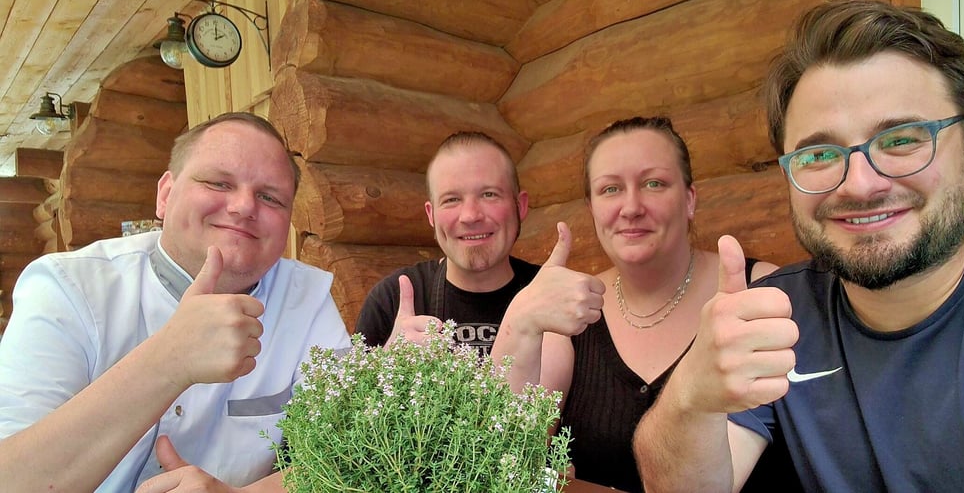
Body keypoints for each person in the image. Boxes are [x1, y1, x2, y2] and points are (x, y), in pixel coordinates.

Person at [634, 0, 964, 491]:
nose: (859, 185)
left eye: (901, 140)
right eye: (819, 153)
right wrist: (691, 395)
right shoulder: (781, 313)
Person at [0, 112, 352, 492]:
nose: (244, 206)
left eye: (270, 197)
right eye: (219, 182)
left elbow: (346, 457)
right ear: (165, 195)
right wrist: (169, 360)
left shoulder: (308, 298)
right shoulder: (66, 287)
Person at [492, 116, 776, 492]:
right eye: (610, 189)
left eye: (653, 183)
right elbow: (498, 451)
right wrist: (521, 321)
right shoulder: (574, 312)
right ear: (591, 207)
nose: (631, 207)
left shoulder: (762, 290)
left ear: (689, 200)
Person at [356, 131, 539, 355]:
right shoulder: (390, 300)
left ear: (520, 206)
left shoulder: (549, 296)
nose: (470, 216)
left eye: (489, 194)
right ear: (431, 215)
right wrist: (388, 363)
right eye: (451, 200)